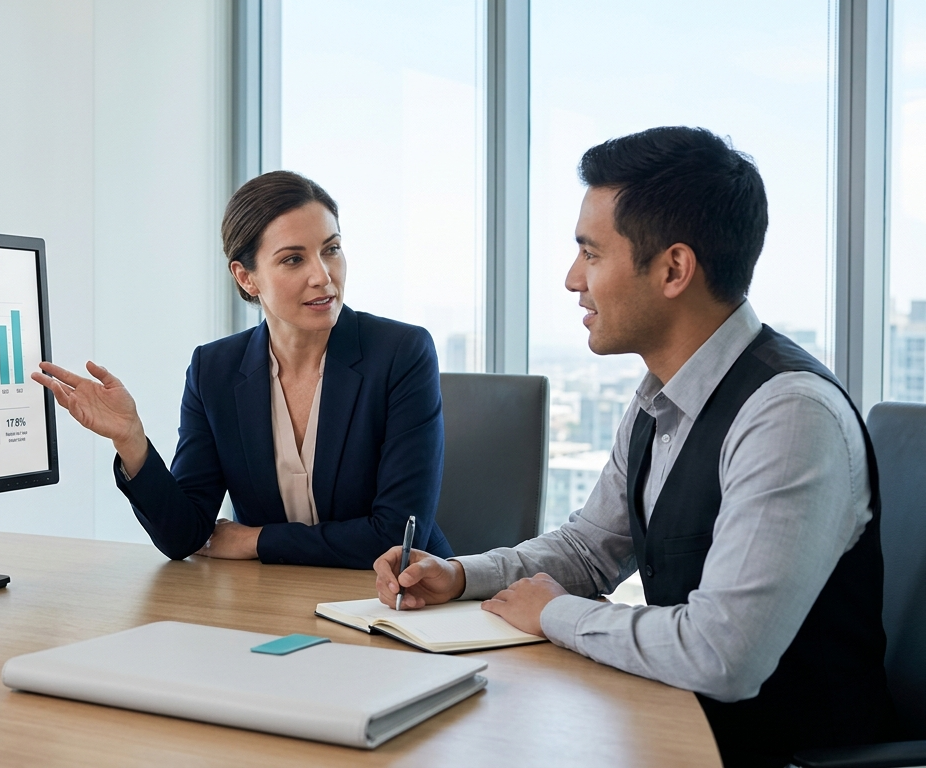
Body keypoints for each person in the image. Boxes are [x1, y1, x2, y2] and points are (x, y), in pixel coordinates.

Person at [374, 127, 894, 767]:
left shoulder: (788, 415)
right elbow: (589, 550)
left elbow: (722, 655)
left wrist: (556, 614)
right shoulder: (663, 395)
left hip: (769, 753)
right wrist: (460, 576)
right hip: (672, 725)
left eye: (590, 254)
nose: (572, 279)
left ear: (673, 269)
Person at [33, 171, 453, 568]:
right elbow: (185, 536)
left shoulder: (401, 353)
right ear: (246, 277)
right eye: (294, 259)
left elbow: (396, 536)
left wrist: (254, 540)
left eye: (331, 249)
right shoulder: (214, 370)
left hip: (394, 595)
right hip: (269, 596)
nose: (323, 276)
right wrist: (131, 440)